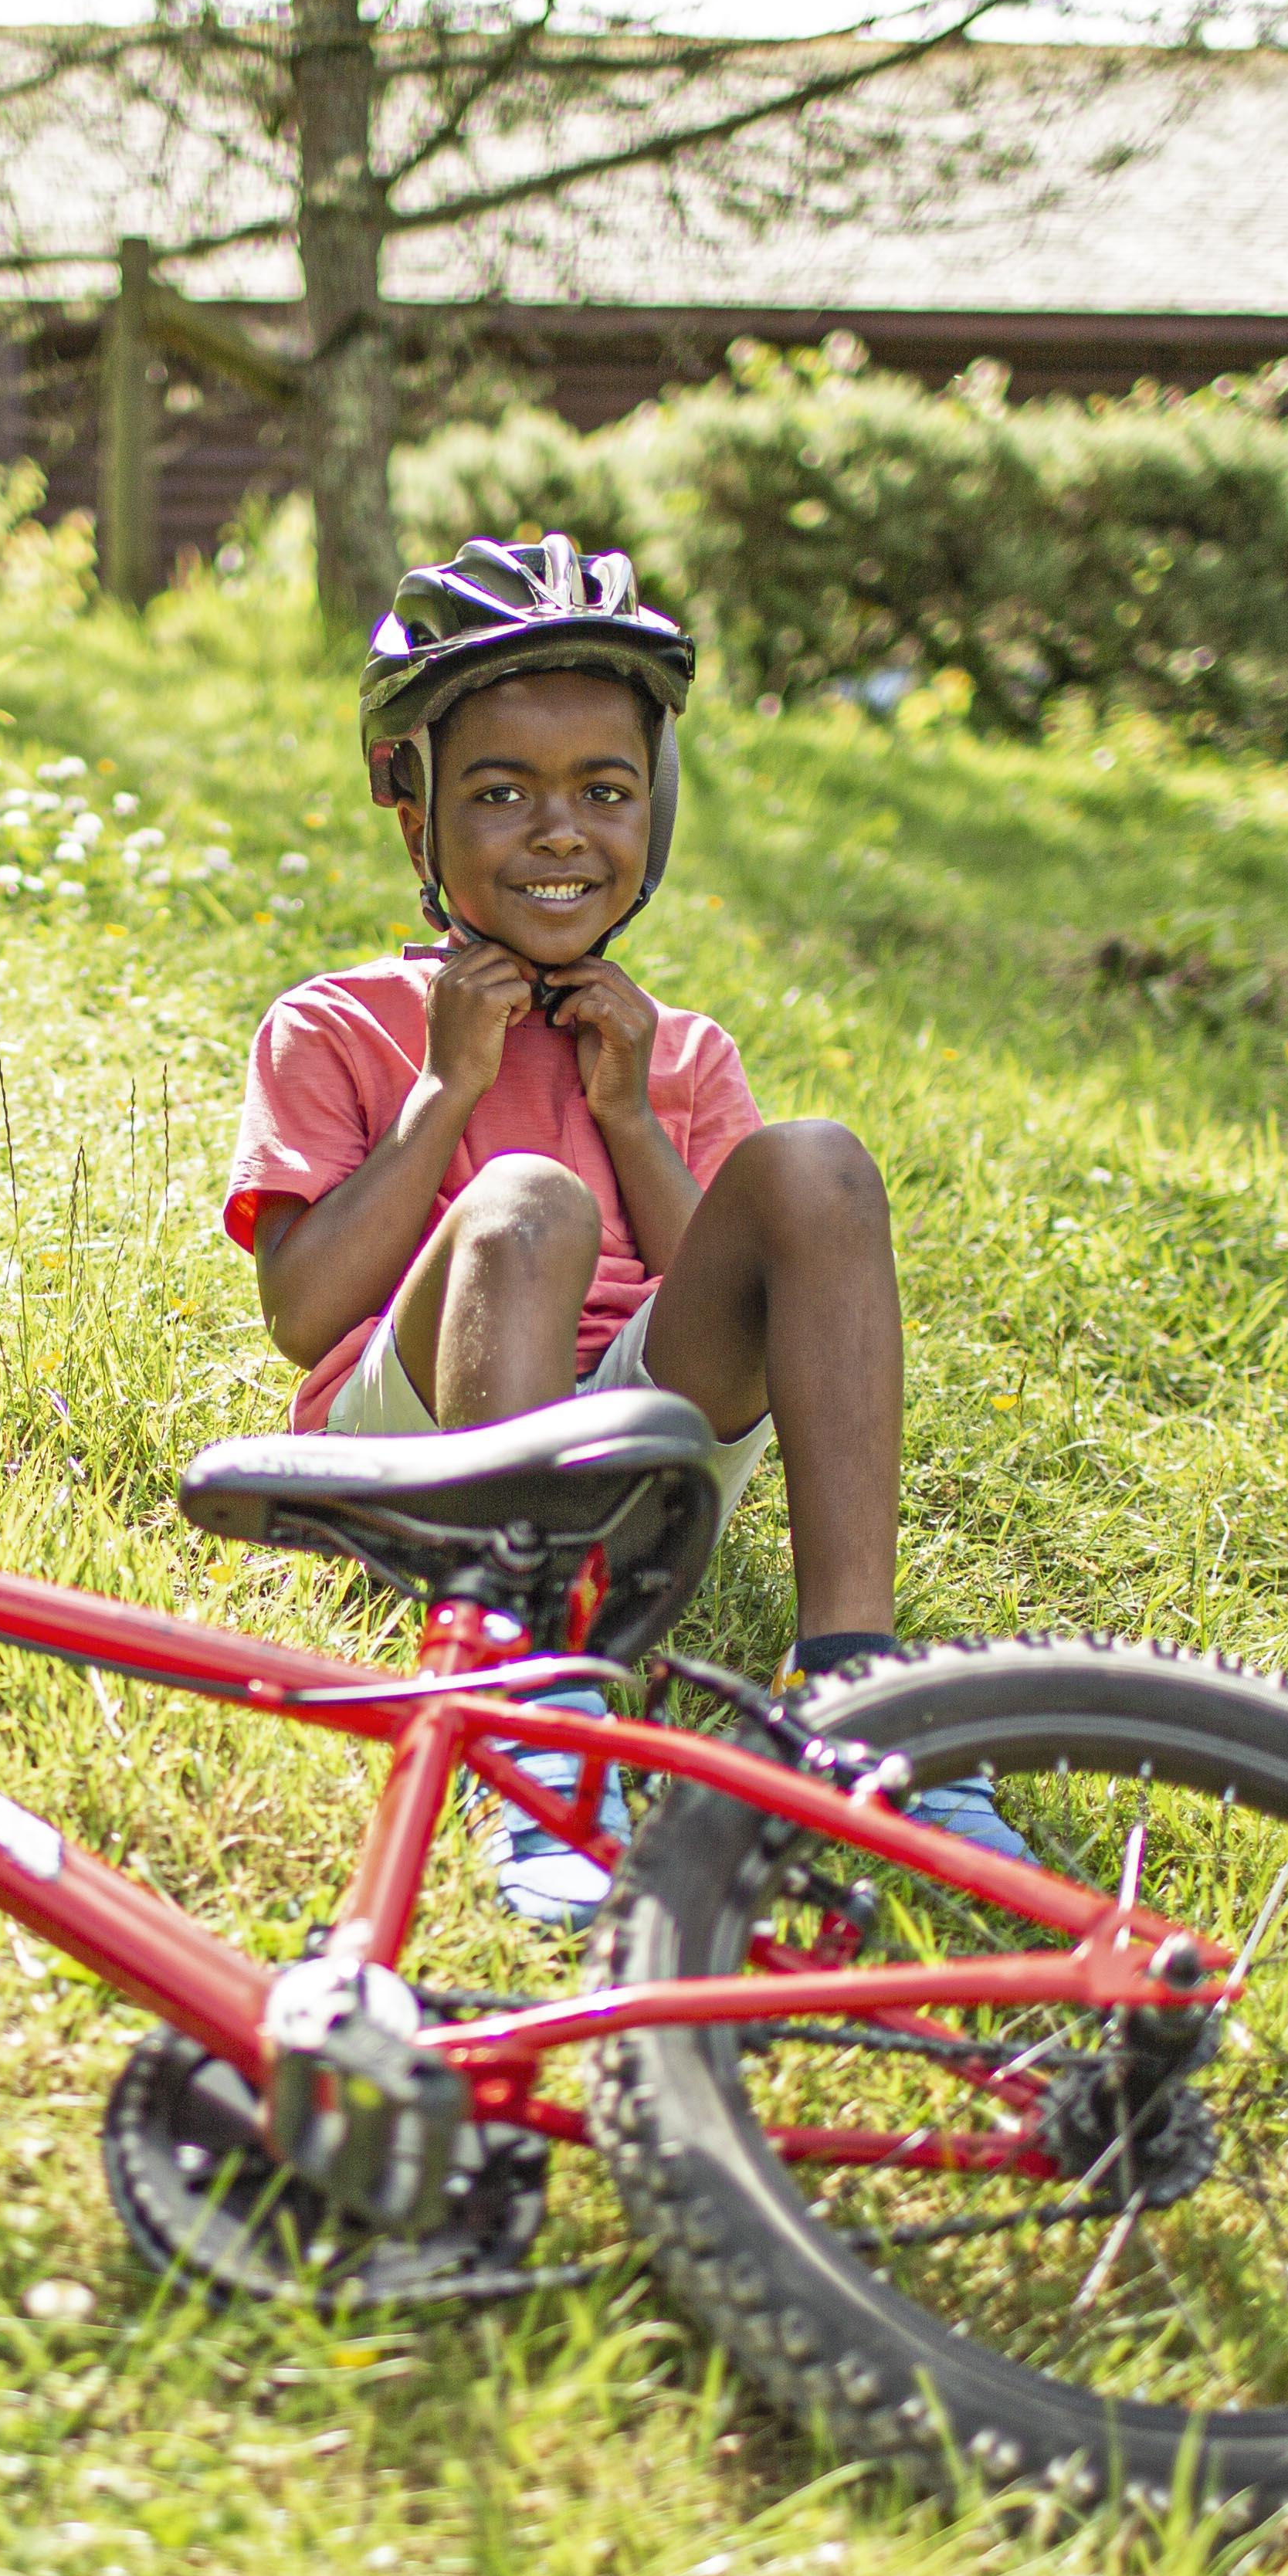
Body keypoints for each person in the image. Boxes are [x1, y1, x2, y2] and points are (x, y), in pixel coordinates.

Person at [222, 534, 1027, 1924]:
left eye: (605, 790)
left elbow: (717, 1291)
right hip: (421, 1463)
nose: (558, 833)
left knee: (817, 1164)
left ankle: (855, 1682)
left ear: (653, 809)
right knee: (527, 1201)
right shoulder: (338, 1023)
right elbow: (301, 1310)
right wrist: (444, 1087)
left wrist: (636, 1111)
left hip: (636, 1460)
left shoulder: (680, 1050)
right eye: (499, 793)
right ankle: (529, 1714)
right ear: (413, 817)